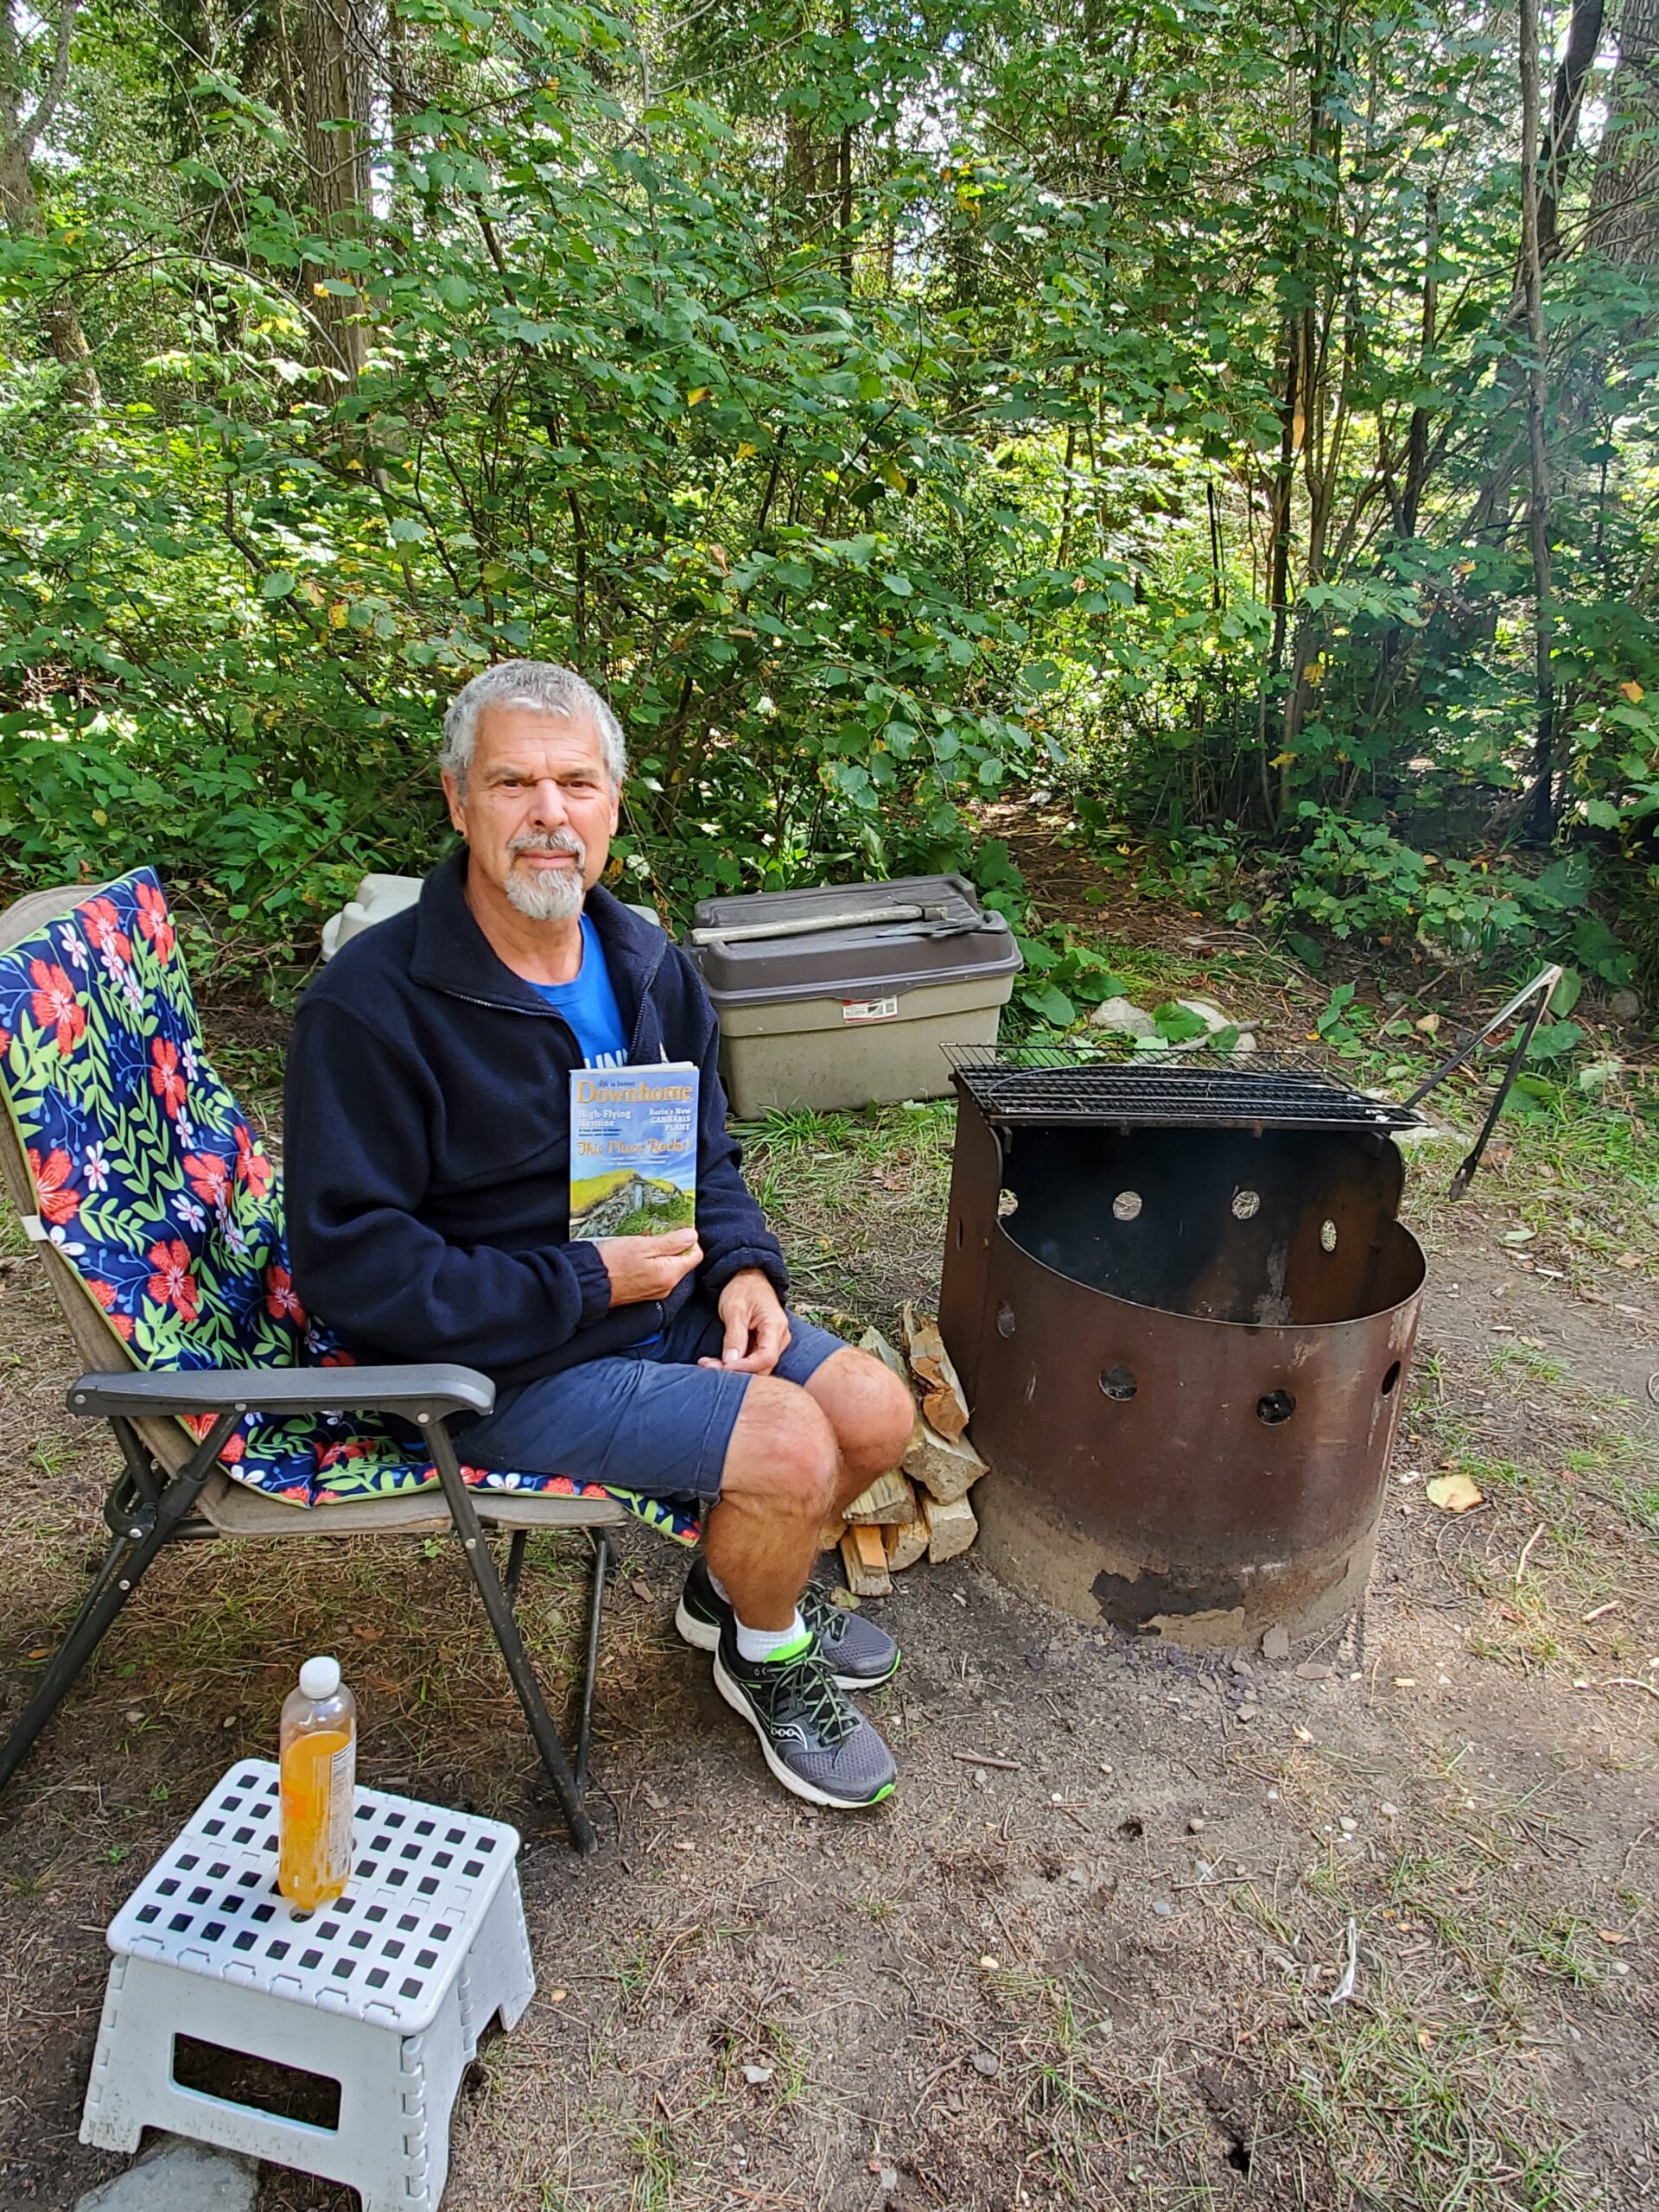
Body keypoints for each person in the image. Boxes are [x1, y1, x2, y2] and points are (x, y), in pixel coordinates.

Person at [283, 661, 916, 1810]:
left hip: (660, 1305)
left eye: (576, 783)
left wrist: (742, 1268)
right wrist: (583, 1279)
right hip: (506, 1363)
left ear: (613, 805)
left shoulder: (644, 964)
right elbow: (353, 1267)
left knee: (878, 1413)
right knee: (792, 1447)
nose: (548, 813)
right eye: (513, 781)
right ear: (457, 800)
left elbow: (703, 1155)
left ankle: (732, 1593)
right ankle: (765, 1656)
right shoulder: (370, 1009)